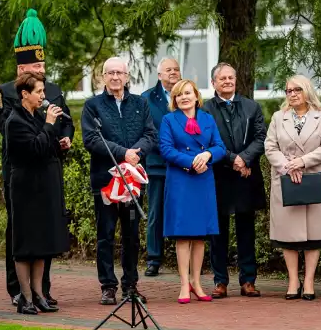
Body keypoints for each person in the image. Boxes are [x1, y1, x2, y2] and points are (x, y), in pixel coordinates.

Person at [0, 9, 74, 307]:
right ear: (21, 69)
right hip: (21, 168)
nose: (41, 69)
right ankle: (18, 289)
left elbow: (66, 122)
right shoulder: (6, 93)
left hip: (47, 166)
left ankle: (42, 289)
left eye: (42, 63)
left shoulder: (52, 90)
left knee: (45, 228)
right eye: (35, 65)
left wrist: (66, 137)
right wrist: (48, 129)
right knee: (21, 231)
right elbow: (12, 132)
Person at [81, 57, 157, 305]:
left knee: (132, 235)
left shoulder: (140, 104)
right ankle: (108, 286)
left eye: (119, 73)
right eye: (110, 73)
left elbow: (150, 135)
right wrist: (123, 153)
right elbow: (91, 139)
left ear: (127, 76)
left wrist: (135, 153)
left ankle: (130, 285)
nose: (115, 77)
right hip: (106, 181)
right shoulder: (92, 106)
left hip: (133, 182)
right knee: (106, 234)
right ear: (103, 77)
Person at [264, 75, 321, 300]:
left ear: (307, 91)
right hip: (287, 179)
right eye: (289, 90)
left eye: (297, 89)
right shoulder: (278, 117)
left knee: (314, 234)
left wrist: (303, 162)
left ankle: (309, 282)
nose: (293, 94)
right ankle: (293, 280)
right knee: (288, 234)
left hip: (312, 178)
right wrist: (287, 165)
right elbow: (270, 146)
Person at [5, 71, 69, 315]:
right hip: (25, 189)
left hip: (43, 186)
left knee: (41, 242)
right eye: (39, 91)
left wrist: (59, 143)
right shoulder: (15, 120)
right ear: (25, 94)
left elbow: (46, 145)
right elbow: (33, 148)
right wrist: (50, 125)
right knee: (26, 244)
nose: (44, 95)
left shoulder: (36, 115)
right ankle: (26, 298)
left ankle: (40, 294)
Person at [159, 79, 226, 304]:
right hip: (182, 179)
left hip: (204, 178)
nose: (184, 97)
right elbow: (165, 149)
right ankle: (183, 284)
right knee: (183, 234)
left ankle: (197, 282)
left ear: (196, 96)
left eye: (188, 93)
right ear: (175, 100)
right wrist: (191, 161)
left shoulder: (207, 119)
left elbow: (220, 147)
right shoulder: (169, 120)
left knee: (199, 235)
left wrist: (207, 155)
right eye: (179, 95)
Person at [202, 62, 266, 298]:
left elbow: (261, 137)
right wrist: (233, 160)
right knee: (217, 232)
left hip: (246, 176)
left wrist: (245, 160)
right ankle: (220, 281)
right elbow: (207, 142)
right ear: (214, 83)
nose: (227, 81)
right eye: (222, 78)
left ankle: (248, 279)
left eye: (231, 78)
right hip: (219, 175)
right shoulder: (206, 110)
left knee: (246, 230)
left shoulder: (251, 107)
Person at [141, 57, 181, 277]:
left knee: (182, 212)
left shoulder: (188, 95)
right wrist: (168, 149)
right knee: (156, 213)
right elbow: (146, 132)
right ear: (159, 75)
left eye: (176, 69)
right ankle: (154, 259)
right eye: (169, 70)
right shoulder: (146, 99)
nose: (173, 72)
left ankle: (183, 258)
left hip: (184, 166)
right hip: (157, 165)